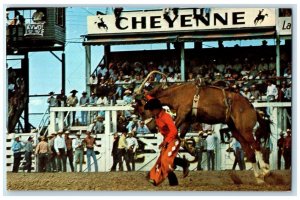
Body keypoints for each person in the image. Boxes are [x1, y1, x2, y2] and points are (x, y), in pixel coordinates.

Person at [144, 98, 189, 186]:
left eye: (152, 110)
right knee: (163, 161)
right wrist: (164, 141)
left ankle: (171, 180)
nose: (151, 112)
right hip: (168, 140)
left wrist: (166, 141)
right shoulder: (157, 117)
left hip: (173, 140)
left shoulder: (166, 116)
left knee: (165, 160)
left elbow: (174, 131)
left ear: (157, 109)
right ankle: (181, 168)